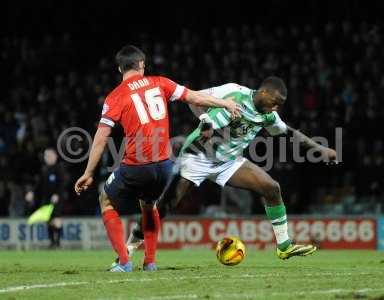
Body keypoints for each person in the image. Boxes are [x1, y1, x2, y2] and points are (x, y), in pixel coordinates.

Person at [125, 77, 338, 260]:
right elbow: (194, 98)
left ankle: (284, 247)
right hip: (197, 156)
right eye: (275, 102)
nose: (276, 108)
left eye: (279, 105)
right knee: (165, 207)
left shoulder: (268, 116)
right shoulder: (234, 94)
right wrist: (206, 120)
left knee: (271, 188)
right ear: (263, 92)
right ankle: (130, 246)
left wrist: (321, 149)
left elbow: (290, 133)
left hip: (228, 162)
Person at [74, 45, 241, 272]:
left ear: (119, 68)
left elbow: (101, 137)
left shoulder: (115, 97)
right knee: (149, 205)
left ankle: (124, 262)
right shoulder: (161, 82)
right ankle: (150, 262)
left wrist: (88, 173)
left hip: (137, 165)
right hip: (164, 166)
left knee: (106, 199)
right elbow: (193, 96)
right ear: (141, 64)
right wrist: (225, 103)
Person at [26, 148, 67, 249]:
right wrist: (32, 192)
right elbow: (38, 184)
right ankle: (52, 242)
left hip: (57, 198)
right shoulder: (44, 169)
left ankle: (58, 242)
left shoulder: (59, 168)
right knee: (48, 220)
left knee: (56, 219)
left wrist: (57, 194)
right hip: (46, 199)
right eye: (46, 156)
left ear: (55, 156)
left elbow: (62, 184)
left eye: (49, 156)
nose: (47, 158)